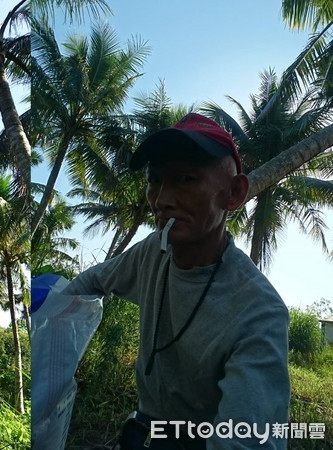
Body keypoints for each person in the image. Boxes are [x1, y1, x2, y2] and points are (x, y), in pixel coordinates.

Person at [62, 113, 290, 449]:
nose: (162, 199)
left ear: (233, 193)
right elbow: (90, 282)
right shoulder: (153, 252)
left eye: (185, 178)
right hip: (143, 430)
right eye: (155, 180)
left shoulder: (259, 312)